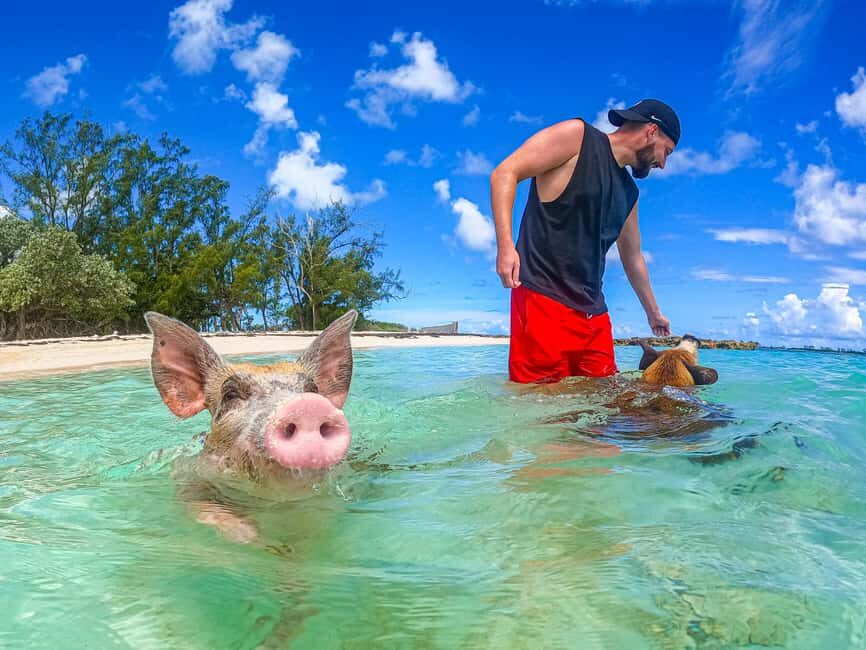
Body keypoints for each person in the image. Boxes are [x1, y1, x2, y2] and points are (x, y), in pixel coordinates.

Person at [490, 98, 680, 383]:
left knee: (602, 409)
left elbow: (633, 258)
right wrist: (506, 247)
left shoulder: (630, 193)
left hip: (595, 317)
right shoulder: (577, 138)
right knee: (538, 410)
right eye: (667, 151)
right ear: (652, 131)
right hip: (543, 300)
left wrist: (653, 313)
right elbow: (505, 173)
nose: (663, 164)